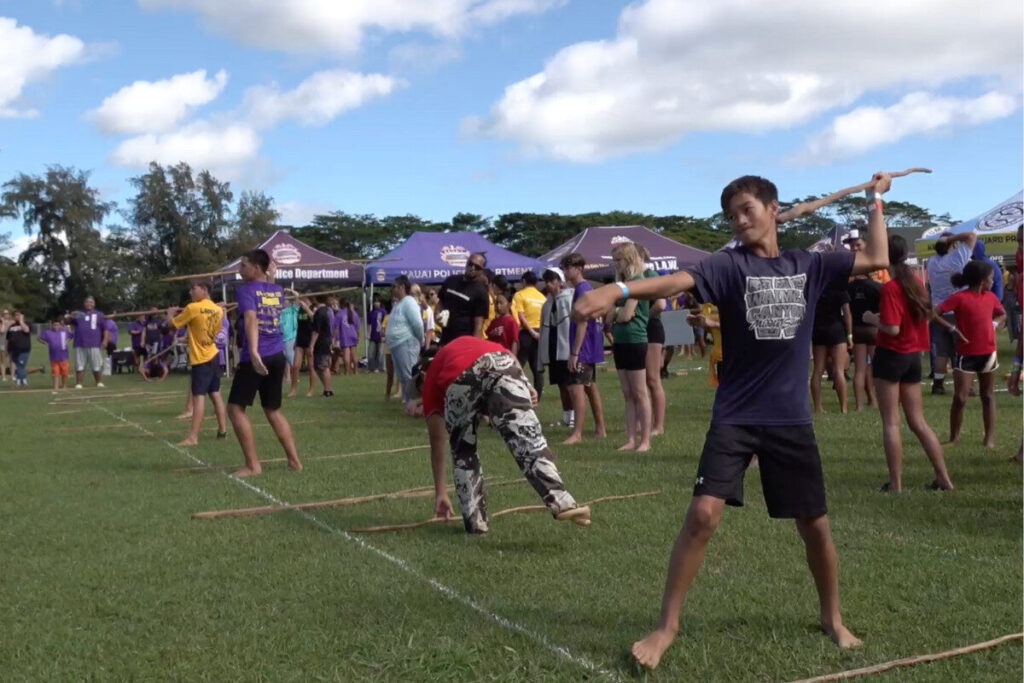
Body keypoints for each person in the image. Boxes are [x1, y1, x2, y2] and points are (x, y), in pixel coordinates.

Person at [574, 173, 893, 669]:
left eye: (748, 210)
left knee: (814, 525)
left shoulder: (808, 264)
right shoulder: (727, 265)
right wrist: (617, 289)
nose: (740, 221)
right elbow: (677, 281)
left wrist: (875, 199)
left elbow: (877, 258)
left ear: (773, 208)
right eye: (732, 215)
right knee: (703, 515)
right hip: (736, 415)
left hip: (789, 419)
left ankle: (832, 618)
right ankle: (666, 627)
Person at [410, 336, 591, 534]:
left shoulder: (431, 381)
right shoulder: (466, 343)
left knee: (463, 451)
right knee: (528, 438)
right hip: (503, 363)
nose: (421, 394)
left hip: (461, 376)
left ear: (423, 376)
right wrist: (525, 384)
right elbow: (508, 355)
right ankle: (561, 500)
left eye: (419, 388)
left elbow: (437, 443)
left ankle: (476, 523)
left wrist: (441, 493)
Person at [862, 235, 956, 492]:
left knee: (891, 422)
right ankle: (943, 478)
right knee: (918, 422)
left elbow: (892, 328)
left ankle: (896, 484)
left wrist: (872, 318)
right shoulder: (917, 283)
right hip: (914, 356)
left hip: (891, 356)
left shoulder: (891, 288)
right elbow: (922, 316)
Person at [226, 250, 302, 478]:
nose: (240, 270)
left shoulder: (246, 291)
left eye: (244, 265)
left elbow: (251, 318)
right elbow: (266, 293)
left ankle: (252, 466)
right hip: (277, 355)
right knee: (273, 410)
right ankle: (295, 461)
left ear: (257, 268)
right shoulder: (276, 290)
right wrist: (272, 275)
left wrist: (253, 351)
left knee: (235, 409)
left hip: (257, 357)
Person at [937, 260, 1007, 448]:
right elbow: (935, 313)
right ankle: (954, 438)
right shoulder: (960, 298)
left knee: (988, 395)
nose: (994, 281)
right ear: (982, 281)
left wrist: (994, 323)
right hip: (966, 354)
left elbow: (1002, 314)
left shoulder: (991, 297)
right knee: (960, 397)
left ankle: (989, 439)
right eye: (991, 278)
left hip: (988, 353)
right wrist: (952, 329)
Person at [168, 280, 229, 447]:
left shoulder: (193, 308)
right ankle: (223, 431)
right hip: (213, 355)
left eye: (193, 289)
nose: (190, 292)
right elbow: (210, 333)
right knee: (215, 394)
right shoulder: (218, 310)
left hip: (201, 359)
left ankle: (193, 437)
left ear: (204, 289)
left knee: (198, 398)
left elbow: (172, 325)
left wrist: (170, 313)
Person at [606, 242, 652, 452]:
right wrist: (617, 312)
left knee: (640, 392)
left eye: (619, 260)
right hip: (621, 340)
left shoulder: (638, 282)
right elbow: (610, 314)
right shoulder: (623, 284)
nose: (616, 264)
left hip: (635, 339)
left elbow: (624, 315)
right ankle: (631, 438)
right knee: (627, 393)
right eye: (614, 260)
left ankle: (645, 441)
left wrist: (617, 312)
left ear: (629, 259)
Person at [560, 253, 607, 444]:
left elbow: (582, 323)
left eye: (567, 268)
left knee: (576, 388)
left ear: (578, 269)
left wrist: (574, 352)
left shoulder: (583, 290)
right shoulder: (584, 289)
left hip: (584, 348)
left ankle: (577, 433)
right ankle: (600, 428)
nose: (564, 272)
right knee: (590, 387)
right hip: (589, 347)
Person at [926, 230, 977, 394]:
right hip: (957, 311)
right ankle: (966, 386)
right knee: (962, 350)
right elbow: (971, 236)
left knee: (942, 352)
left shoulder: (932, 261)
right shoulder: (957, 258)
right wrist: (950, 238)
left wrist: (945, 241)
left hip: (938, 312)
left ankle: (938, 385)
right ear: (952, 244)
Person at [845, 232, 882, 411]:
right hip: (874, 329)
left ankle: (859, 405)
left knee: (859, 370)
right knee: (877, 367)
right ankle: (876, 401)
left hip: (857, 329)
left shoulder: (849, 287)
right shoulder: (878, 287)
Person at [538, 267, 576, 429]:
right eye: (546, 281)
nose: (549, 284)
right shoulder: (547, 304)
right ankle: (566, 415)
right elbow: (543, 327)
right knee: (560, 383)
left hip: (566, 346)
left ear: (560, 282)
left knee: (570, 383)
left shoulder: (569, 299)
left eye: (552, 281)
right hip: (553, 346)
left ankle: (573, 415)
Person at [810, 285, 852, 413]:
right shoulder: (839, 288)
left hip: (818, 329)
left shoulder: (816, 288)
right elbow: (847, 313)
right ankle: (843, 407)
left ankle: (818, 407)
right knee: (839, 370)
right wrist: (849, 334)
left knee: (818, 370)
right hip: (836, 328)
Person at [387, 275, 425, 406]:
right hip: (397, 345)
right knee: (403, 377)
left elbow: (417, 324)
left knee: (409, 376)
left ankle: (414, 403)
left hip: (406, 343)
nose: (392, 289)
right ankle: (408, 402)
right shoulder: (399, 303)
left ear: (402, 287)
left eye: (394, 286)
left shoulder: (409, 302)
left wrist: (421, 339)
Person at [438, 252, 489, 345]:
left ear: (482, 270)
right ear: (466, 263)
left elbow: (478, 326)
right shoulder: (451, 280)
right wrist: (437, 316)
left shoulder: (481, 292)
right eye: (470, 264)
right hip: (445, 339)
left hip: (464, 342)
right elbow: (440, 302)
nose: (472, 268)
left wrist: (473, 347)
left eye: (477, 267)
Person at [512, 270, 546, 396]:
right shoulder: (542, 297)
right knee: (538, 369)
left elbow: (520, 316)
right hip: (540, 333)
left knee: (518, 365)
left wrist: (531, 332)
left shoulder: (519, 295)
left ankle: (515, 393)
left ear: (524, 281)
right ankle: (538, 398)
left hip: (526, 333)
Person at [69, 296, 108, 388]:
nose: (89, 304)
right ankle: (79, 383)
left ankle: (99, 382)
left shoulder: (99, 314)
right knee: (79, 364)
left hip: (94, 343)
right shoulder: (79, 314)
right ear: (84, 303)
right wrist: (71, 316)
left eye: (91, 302)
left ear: (94, 304)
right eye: (87, 302)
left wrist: (105, 340)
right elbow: (68, 322)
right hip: (80, 343)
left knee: (96, 364)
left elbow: (105, 329)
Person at [288, 293, 314, 397]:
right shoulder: (299, 310)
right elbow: (299, 326)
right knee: (295, 366)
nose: (301, 301)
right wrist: (295, 341)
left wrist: (307, 308)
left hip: (309, 341)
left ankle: (311, 390)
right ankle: (293, 390)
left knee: (311, 367)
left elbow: (313, 318)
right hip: (300, 340)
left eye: (304, 299)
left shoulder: (313, 309)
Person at [308, 297, 335, 398]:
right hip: (326, 340)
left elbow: (316, 331)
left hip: (322, 342)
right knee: (318, 367)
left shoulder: (320, 312)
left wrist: (311, 345)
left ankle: (327, 391)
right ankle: (327, 388)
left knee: (323, 367)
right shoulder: (327, 311)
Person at [38, 319, 71, 391]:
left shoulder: (64, 331)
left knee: (65, 372)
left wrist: (67, 341)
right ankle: (56, 387)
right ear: (52, 325)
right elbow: (39, 338)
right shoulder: (47, 332)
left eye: (57, 325)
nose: (56, 326)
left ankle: (64, 386)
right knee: (55, 372)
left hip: (64, 356)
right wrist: (45, 343)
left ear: (60, 325)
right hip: (54, 357)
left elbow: (70, 336)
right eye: (54, 325)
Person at [6, 311, 32, 387]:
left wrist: (21, 321)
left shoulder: (27, 324)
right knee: (19, 365)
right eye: (15, 315)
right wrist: (8, 349)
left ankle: (19, 381)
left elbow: (26, 330)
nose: (17, 316)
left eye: (18, 315)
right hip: (13, 350)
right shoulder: (11, 327)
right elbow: (8, 339)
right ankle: (23, 380)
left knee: (21, 365)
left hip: (24, 349)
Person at [337, 300, 360, 374]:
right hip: (353, 334)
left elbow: (336, 327)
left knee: (346, 353)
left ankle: (347, 371)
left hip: (345, 335)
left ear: (341, 305)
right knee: (354, 354)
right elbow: (358, 327)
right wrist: (358, 336)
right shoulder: (354, 313)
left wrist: (336, 338)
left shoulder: (339, 314)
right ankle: (356, 371)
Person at [280, 296, 299, 386]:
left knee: (291, 358)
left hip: (291, 337)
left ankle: (295, 377)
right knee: (285, 358)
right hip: (281, 337)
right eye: (283, 300)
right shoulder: (279, 311)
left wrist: (292, 292)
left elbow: (298, 298)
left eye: (286, 300)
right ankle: (288, 377)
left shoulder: (292, 310)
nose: (285, 302)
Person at [367, 297, 386, 372]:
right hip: (373, 335)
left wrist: (384, 335)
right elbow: (369, 324)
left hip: (381, 335)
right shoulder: (371, 313)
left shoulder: (383, 312)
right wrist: (368, 333)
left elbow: (385, 324)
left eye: (377, 302)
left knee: (381, 352)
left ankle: (381, 367)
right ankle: (372, 368)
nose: (376, 303)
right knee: (371, 352)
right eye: (375, 302)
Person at [0, 309, 11, 381]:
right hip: (2, 343)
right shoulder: (1, 323)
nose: (6, 315)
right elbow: (2, 331)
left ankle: (13, 375)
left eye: (7, 313)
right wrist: (3, 322)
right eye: (4, 314)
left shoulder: (12, 322)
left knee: (12, 360)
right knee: (3, 360)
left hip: (11, 343)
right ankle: (3, 376)